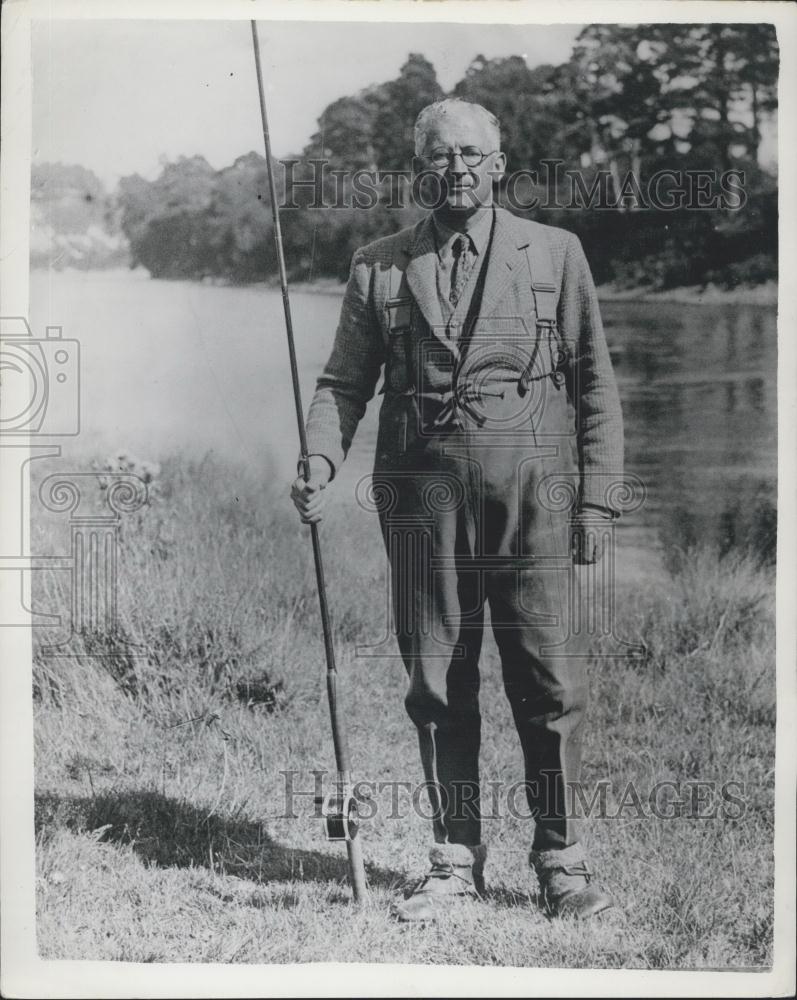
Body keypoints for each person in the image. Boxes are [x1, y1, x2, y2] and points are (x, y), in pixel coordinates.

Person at [291, 98, 624, 923]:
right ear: (419, 171)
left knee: (547, 680)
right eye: (441, 157)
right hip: (418, 504)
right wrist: (320, 456)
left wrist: (597, 504)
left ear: (499, 163)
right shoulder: (377, 265)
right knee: (437, 681)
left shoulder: (555, 254)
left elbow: (595, 389)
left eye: (473, 155)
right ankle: (453, 858)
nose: (458, 170)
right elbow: (342, 384)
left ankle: (561, 859)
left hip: (531, 503)